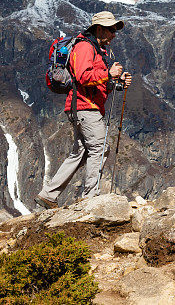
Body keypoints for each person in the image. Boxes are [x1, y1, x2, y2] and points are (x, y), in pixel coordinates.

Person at [36, 11, 132, 209]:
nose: (114, 34)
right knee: (99, 147)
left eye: (114, 30)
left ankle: (49, 194)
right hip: (85, 107)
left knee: (79, 153)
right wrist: (109, 73)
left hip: (83, 106)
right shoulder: (85, 47)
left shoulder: (96, 49)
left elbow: (97, 84)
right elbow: (82, 77)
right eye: (111, 30)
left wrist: (117, 82)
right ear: (99, 29)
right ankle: (90, 198)